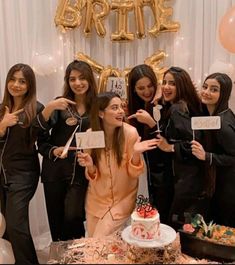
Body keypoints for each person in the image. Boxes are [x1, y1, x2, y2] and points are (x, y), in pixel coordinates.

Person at [77, 92, 159, 237]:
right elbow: (91, 176)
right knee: (92, 243)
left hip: (122, 201)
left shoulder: (130, 133)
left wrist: (135, 154)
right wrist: (90, 166)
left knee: (98, 241)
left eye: (121, 106)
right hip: (95, 201)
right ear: (101, 113)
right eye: (114, 108)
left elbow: (134, 174)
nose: (121, 111)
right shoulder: (90, 135)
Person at [37, 60, 97, 241]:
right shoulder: (60, 105)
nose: (78, 83)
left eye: (82, 78)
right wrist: (53, 150)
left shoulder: (97, 106)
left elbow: (103, 138)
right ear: (67, 81)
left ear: (90, 80)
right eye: (72, 79)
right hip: (55, 171)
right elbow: (39, 135)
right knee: (56, 220)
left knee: (74, 217)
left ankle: (76, 257)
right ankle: (60, 258)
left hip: (80, 171)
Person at [0, 63, 45, 264]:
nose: (16, 84)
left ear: (29, 85)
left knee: (17, 224)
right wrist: (2, 126)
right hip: (2, 173)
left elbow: (36, 141)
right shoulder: (1, 110)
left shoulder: (37, 109)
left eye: (22, 81)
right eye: (13, 79)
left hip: (24, 174)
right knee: (7, 226)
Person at [156, 66, 208, 230]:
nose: (166, 87)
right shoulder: (184, 105)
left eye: (172, 83)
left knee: (178, 224)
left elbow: (193, 141)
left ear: (182, 86)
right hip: (190, 175)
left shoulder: (178, 109)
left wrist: (169, 147)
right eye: (164, 82)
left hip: (187, 176)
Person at [127, 64, 174, 224]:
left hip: (165, 171)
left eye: (150, 86)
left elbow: (169, 140)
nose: (147, 91)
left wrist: (152, 123)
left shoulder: (165, 103)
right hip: (142, 170)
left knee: (162, 216)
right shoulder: (130, 108)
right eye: (141, 88)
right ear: (133, 89)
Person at [191, 72, 235, 227]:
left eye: (214, 89)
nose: (206, 92)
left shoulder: (223, 124)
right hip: (219, 184)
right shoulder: (213, 115)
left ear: (224, 94)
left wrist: (207, 156)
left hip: (228, 188)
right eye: (205, 86)